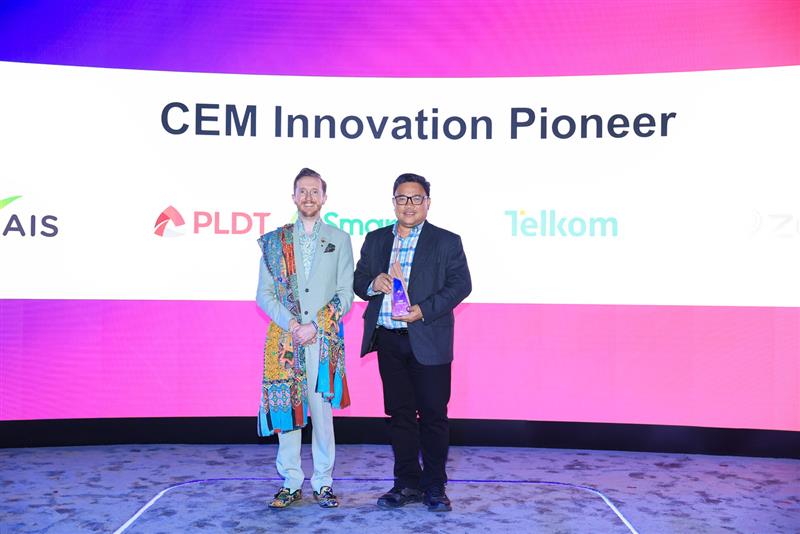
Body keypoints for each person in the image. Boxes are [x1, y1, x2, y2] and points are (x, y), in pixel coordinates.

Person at [354, 173, 472, 512]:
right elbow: (358, 280)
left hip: (429, 340)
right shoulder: (376, 239)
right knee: (400, 415)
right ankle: (406, 483)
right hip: (389, 339)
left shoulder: (446, 241)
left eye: (416, 198)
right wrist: (373, 283)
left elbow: (461, 285)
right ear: (394, 202)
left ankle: (435, 486)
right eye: (402, 198)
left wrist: (423, 310)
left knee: (433, 415)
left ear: (427, 203)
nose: (409, 204)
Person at [256, 168, 354, 509]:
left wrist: (315, 325)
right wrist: (293, 324)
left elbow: (346, 294)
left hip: (323, 340)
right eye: (303, 191)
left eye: (315, 191)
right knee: (288, 414)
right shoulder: (275, 242)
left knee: (321, 414)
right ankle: (290, 482)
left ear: (324, 197)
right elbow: (264, 295)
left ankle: (323, 483)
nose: (309, 197)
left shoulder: (339, 239)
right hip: (286, 341)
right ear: (293, 197)